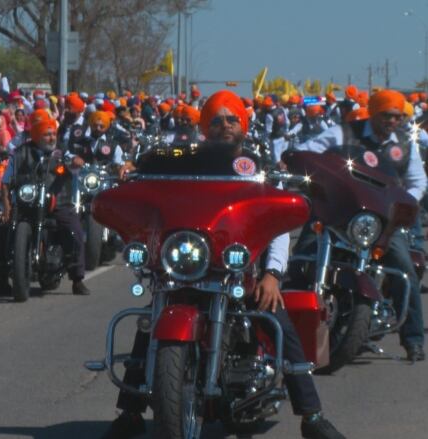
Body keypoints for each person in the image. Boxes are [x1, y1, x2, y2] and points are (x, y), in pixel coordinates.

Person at [110, 90, 345, 439]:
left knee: (279, 323)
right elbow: (155, 166)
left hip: (241, 267)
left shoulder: (257, 164)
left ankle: (312, 416)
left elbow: (276, 222)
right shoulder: (186, 157)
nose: (224, 126)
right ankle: (129, 413)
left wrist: (272, 274)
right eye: (216, 121)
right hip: (193, 263)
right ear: (206, 127)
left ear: (244, 124)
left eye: (232, 118)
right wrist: (134, 169)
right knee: (149, 326)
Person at [295, 89, 427, 362]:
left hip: (381, 222)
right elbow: (307, 153)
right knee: (302, 254)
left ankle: (413, 340)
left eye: (398, 116)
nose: (393, 121)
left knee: (405, 269)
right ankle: (287, 325)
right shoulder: (343, 133)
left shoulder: (404, 143)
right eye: (387, 116)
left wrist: (402, 205)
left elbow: (418, 181)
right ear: (374, 113)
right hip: (339, 213)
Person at [0, 110, 90, 296]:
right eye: (46, 134)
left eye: (53, 134)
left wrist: (76, 161)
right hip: (26, 204)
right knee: (2, 229)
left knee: (74, 229)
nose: (51, 138)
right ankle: (2, 280)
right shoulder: (20, 154)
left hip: (58, 202)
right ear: (36, 134)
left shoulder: (62, 152)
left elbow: (72, 161)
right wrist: (7, 207)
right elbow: (5, 182)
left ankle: (77, 279)